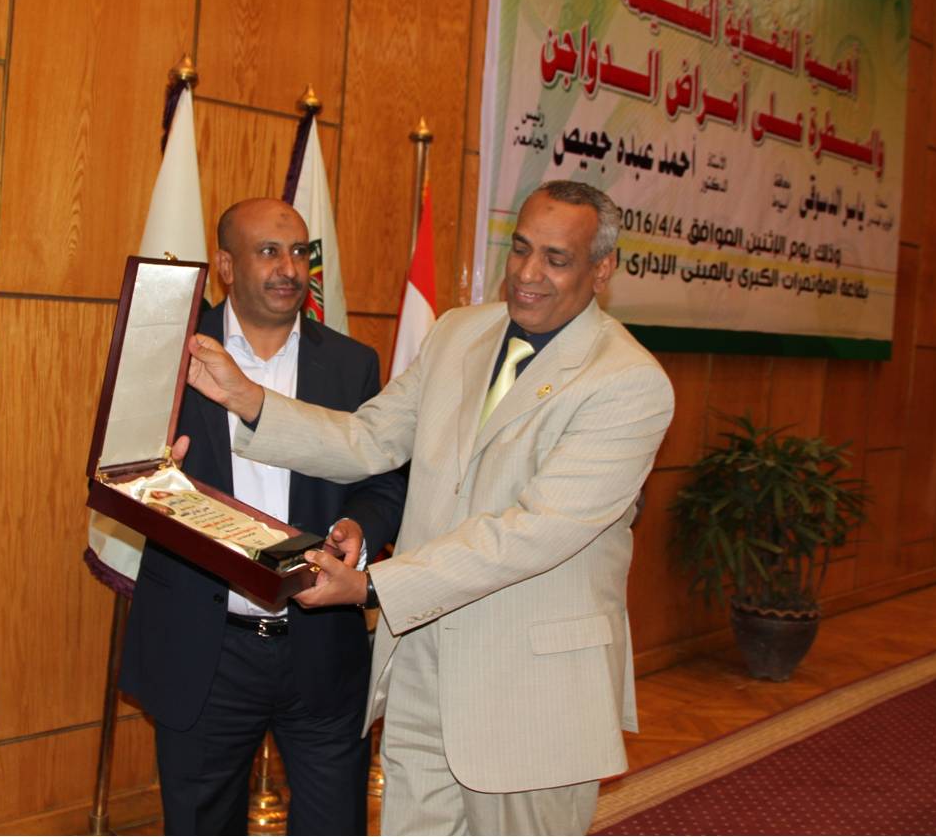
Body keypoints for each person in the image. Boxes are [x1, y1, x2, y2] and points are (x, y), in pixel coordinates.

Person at [186, 181, 674, 835]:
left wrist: (371, 587)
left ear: (602, 268)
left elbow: (531, 534)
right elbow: (369, 438)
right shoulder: (458, 332)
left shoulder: (629, 383)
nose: (527, 274)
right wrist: (248, 400)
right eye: (520, 249)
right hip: (420, 669)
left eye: (556, 259)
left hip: (530, 687)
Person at [119, 198, 405, 834]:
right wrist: (154, 484)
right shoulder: (169, 349)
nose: (290, 268)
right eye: (269, 251)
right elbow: (119, 469)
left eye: (300, 252)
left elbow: (384, 480)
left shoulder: (351, 363)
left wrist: (361, 532)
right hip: (205, 647)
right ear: (225, 266)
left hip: (323, 647)